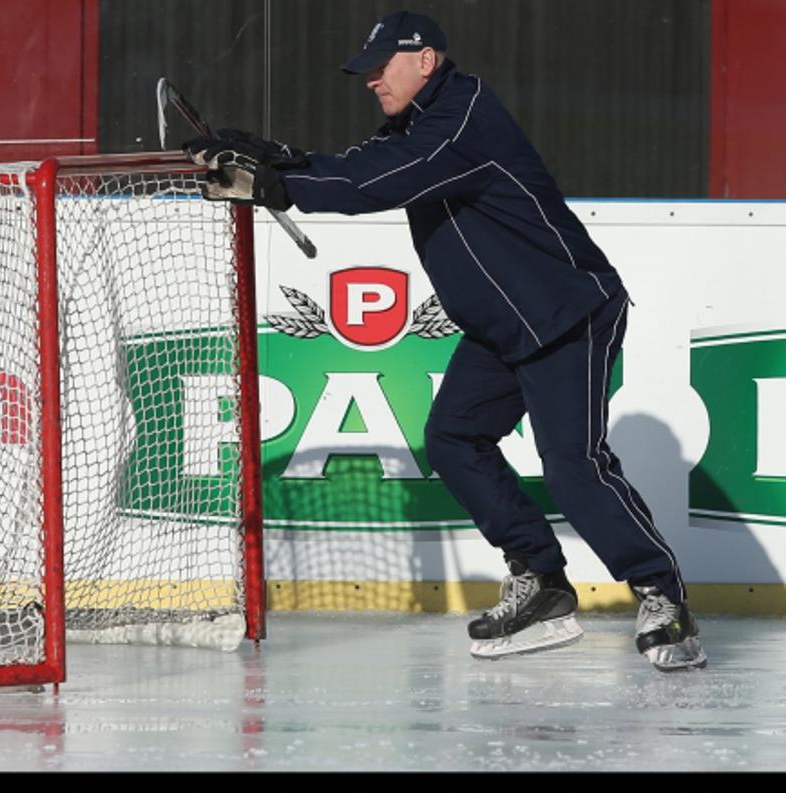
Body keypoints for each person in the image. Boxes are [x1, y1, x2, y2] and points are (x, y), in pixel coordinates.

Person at [184, 10, 706, 671]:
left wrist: (279, 186)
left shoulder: (462, 116)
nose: (371, 79)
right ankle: (541, 582)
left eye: (382, 66)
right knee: (455, 438)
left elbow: (383, 180)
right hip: (503, 325)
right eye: (365, 70)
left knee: (573, 465)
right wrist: (277, 158)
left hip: (565, 312)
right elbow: (368, 161)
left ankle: (663, 594)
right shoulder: (418, 123)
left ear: (425, 60)